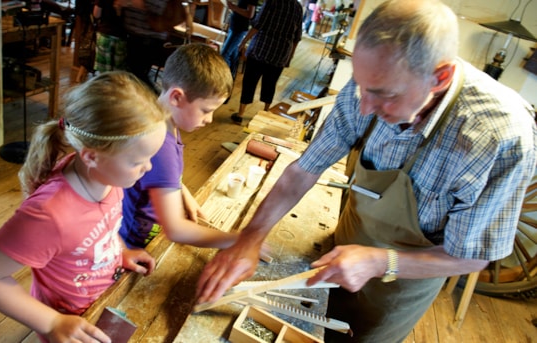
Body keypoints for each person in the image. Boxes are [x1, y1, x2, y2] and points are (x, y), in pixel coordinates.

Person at [197, 0, 537, 342]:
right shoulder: (372, 80)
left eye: (383, 95)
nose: (365, 107)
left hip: (401, 282)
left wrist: (380, 262)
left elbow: (471, 256)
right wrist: (250, 238)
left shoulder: (502, 139)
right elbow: (304, 169)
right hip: (341, 244)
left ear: (440, 77)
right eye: (361, 88)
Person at [0, 72, 169, 343]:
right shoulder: (49, 215)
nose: (149, 167)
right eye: (138, 161)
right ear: (91, 156)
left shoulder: (107, 177)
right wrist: (52, 322)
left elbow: (105, 228)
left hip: (99, 302)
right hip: (66, 325)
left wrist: (119, 253)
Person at [118, 43, 241, 250]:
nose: (209, 119)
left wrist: (184, 193)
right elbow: (175, 229)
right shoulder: (161, 147)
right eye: (205, 110)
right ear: (177, 97)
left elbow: (161, 176)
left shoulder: (160, 120)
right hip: (133, 244)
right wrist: (237, 240)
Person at [229, 0, 303, 124]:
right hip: (281, 53)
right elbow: (297, 36)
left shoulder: (271, 2)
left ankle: (240, 114)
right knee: (270, 84)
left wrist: (243, 42)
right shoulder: (297, 7)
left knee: (250, 81)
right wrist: (290, 57)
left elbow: (258, 24)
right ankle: (265, 113)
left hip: (261, 49)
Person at [219, 0, 258, 80]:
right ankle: (229, 80)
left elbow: (250, 14)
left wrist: (233, 7)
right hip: (234, 26)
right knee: (233, 57)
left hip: (239, 29)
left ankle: (224, 79)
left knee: (224, 55)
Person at [93, 0, 128, 72]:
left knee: (104, 71)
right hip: (121, 36)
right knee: (118, 71)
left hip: (104, 34)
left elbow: (96, 14)